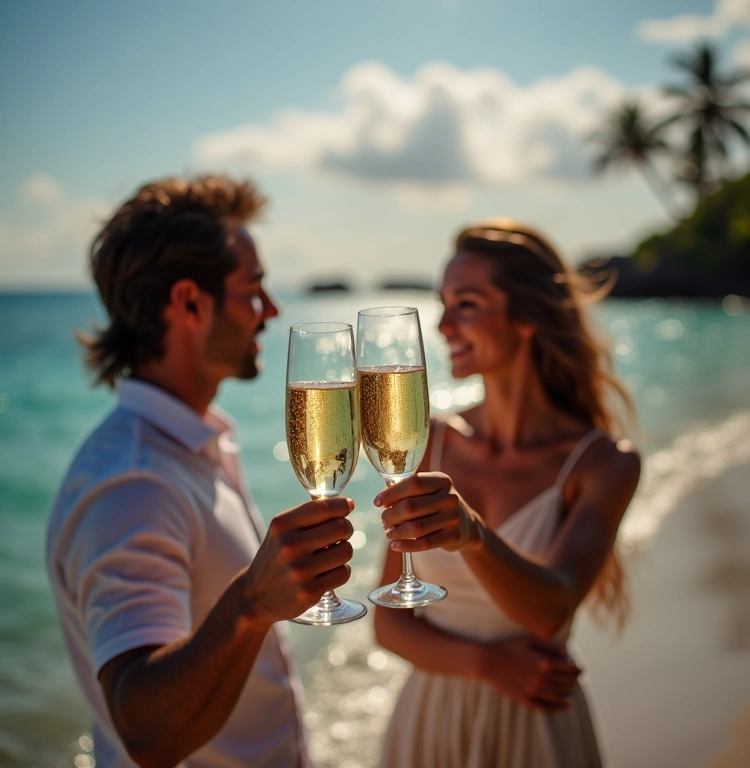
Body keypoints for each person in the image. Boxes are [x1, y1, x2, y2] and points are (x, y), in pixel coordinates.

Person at [46, 175, 356, 768]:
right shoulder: (135, 482)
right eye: (255, 289)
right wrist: (251, 603)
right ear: (190, 301)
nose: (271, 310)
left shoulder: (190, 441)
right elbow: (147, 733)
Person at [373, 219, 641, 768]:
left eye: (467, 304)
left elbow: (551, 609)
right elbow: (389, 622)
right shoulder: (429, 442)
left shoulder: (602, 464)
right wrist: (488, 665)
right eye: (442, 303)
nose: (444, 325)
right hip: (430, 720)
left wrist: (472, 534)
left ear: (526, 318)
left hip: (536, 724)